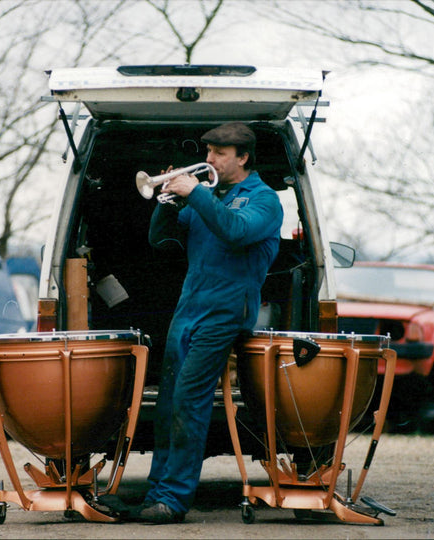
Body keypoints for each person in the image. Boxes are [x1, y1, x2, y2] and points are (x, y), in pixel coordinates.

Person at [133, 122, 283, 523]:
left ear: (243, 157)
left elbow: (235, 232)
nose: (209, 159)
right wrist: (165, 201)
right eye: (209, 151)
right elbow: (160, 241)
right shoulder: (210, 198)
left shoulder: (264, 200)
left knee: (189, 402)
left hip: (226, 311)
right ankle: (156, 493)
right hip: (189, 308)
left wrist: (195, 192)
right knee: (168, 404)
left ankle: (174, 499)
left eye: (218, 153)